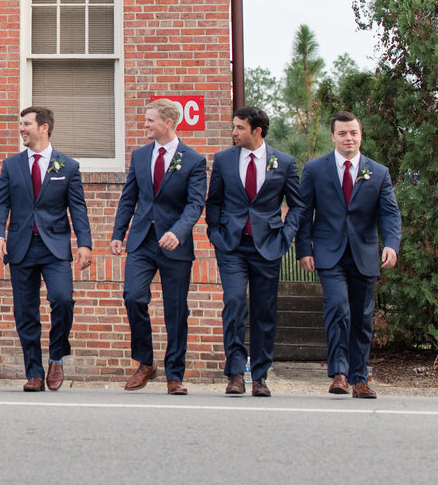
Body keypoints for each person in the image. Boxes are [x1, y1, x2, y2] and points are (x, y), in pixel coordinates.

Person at [296, 111, 401, 399]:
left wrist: (391, 243)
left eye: (353, 133)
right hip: (329, 254)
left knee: (363, 317)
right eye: (342, 133)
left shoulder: (378, 172)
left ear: (360, 135)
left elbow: (390, 214)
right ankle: (339, 373)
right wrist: (304, 249)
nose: (348, 138)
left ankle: (360, 378)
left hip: (364, 254)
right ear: (333, 137)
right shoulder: (316, 169)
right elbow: (304, 213)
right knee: (338, 309)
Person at [0, 106, 92, 392]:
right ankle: (34, 372)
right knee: (26, 312)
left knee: (62, 300)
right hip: (21, 247)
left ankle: (56, 357)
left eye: (26, 124)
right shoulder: (11, 165)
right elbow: (0, 204)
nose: (22, 128)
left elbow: (78, 209)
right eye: (21, 124)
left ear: (43, 127)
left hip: (55, 247)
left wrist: (85, 244)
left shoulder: (67, 166)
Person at [110, 99, 207, 395]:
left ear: (168, 123)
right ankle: (145, 363)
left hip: (174, 244)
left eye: (150, 120)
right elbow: (129, 197)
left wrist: (178, 232)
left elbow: (195, 204)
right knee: (133, 296)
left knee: (176, 310)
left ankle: (174, 374)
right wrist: (118, 233)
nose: (145, 124)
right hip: (141, 240)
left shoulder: (193, 160)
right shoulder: (139, 156)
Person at [205, 105, 303, 397]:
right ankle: (235, 373)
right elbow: (214, 200)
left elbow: (298, 205)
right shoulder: (223, 160)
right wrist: (215, 231)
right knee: (234, 303)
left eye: (239, 128)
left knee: (264, 311)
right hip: (232, 246)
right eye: (233, 127)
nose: (234, 132)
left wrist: (286, 235)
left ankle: (260, 376)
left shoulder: (283, 162)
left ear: (257, 131)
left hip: (268, 246)